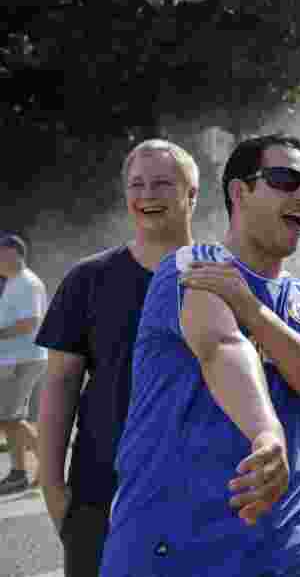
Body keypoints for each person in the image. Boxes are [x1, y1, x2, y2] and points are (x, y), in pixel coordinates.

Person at [100, 133, 300, 577]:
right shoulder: (192, 265)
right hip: (172, 553)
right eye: (285, 179)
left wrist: (251, 309)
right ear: (239, 191)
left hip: (284, 554)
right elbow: (221, 346)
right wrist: (267, 433)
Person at [35, 139, 199, 576]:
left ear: (191, 195)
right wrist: (53, 487)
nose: (147, 195)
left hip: (203, 499)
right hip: (101, 497)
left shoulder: (220, 278)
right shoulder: (88, 279)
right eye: (137, 184)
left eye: (163, 184)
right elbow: (59, 384)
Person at [0, 233, 48, 495]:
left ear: (12, 253)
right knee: (8, 419)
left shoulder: (27, 283)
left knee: (11, 417)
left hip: (23, 359)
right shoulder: (13, 282)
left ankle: (47, 463)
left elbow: (30, 322)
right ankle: (18, 473)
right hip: (15, 359)